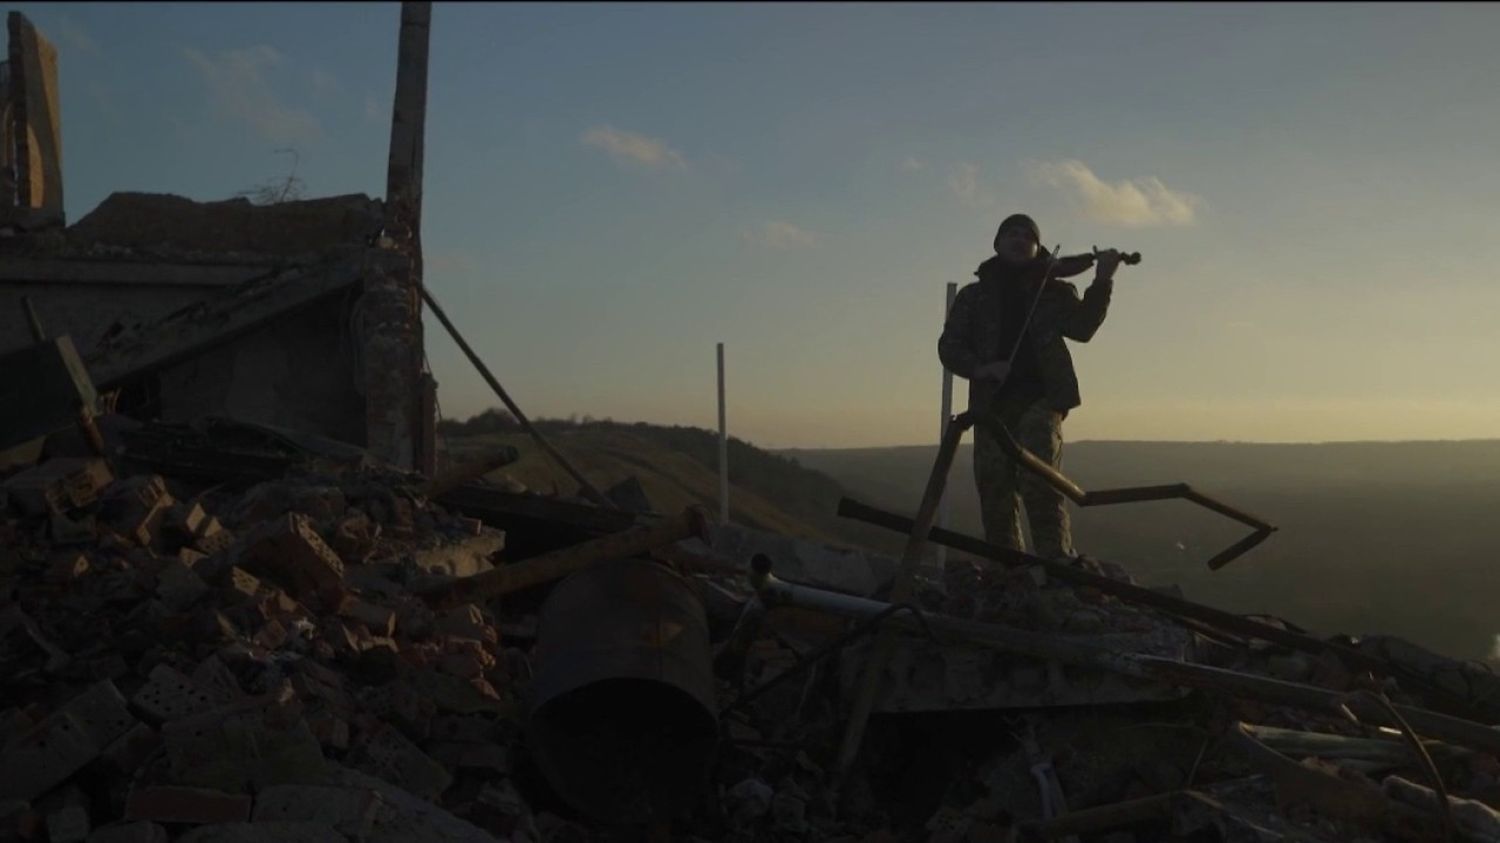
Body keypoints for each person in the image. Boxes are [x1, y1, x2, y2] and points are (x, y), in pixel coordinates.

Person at [937, 213, 1125, 560]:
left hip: (1043, 397)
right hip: (990, 402)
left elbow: (1083, 328)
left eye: (1028, 235)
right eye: (1011, 232)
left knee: (1040, 480)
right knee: (995, 487)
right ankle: (1007, 571)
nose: (1019, 238)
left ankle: (1056, 564)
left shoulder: (1052, 290)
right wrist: (981, 368)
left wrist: (1101, 280)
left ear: (1038, 248)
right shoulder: (973, 296)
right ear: (996, 243)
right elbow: (949, 347)